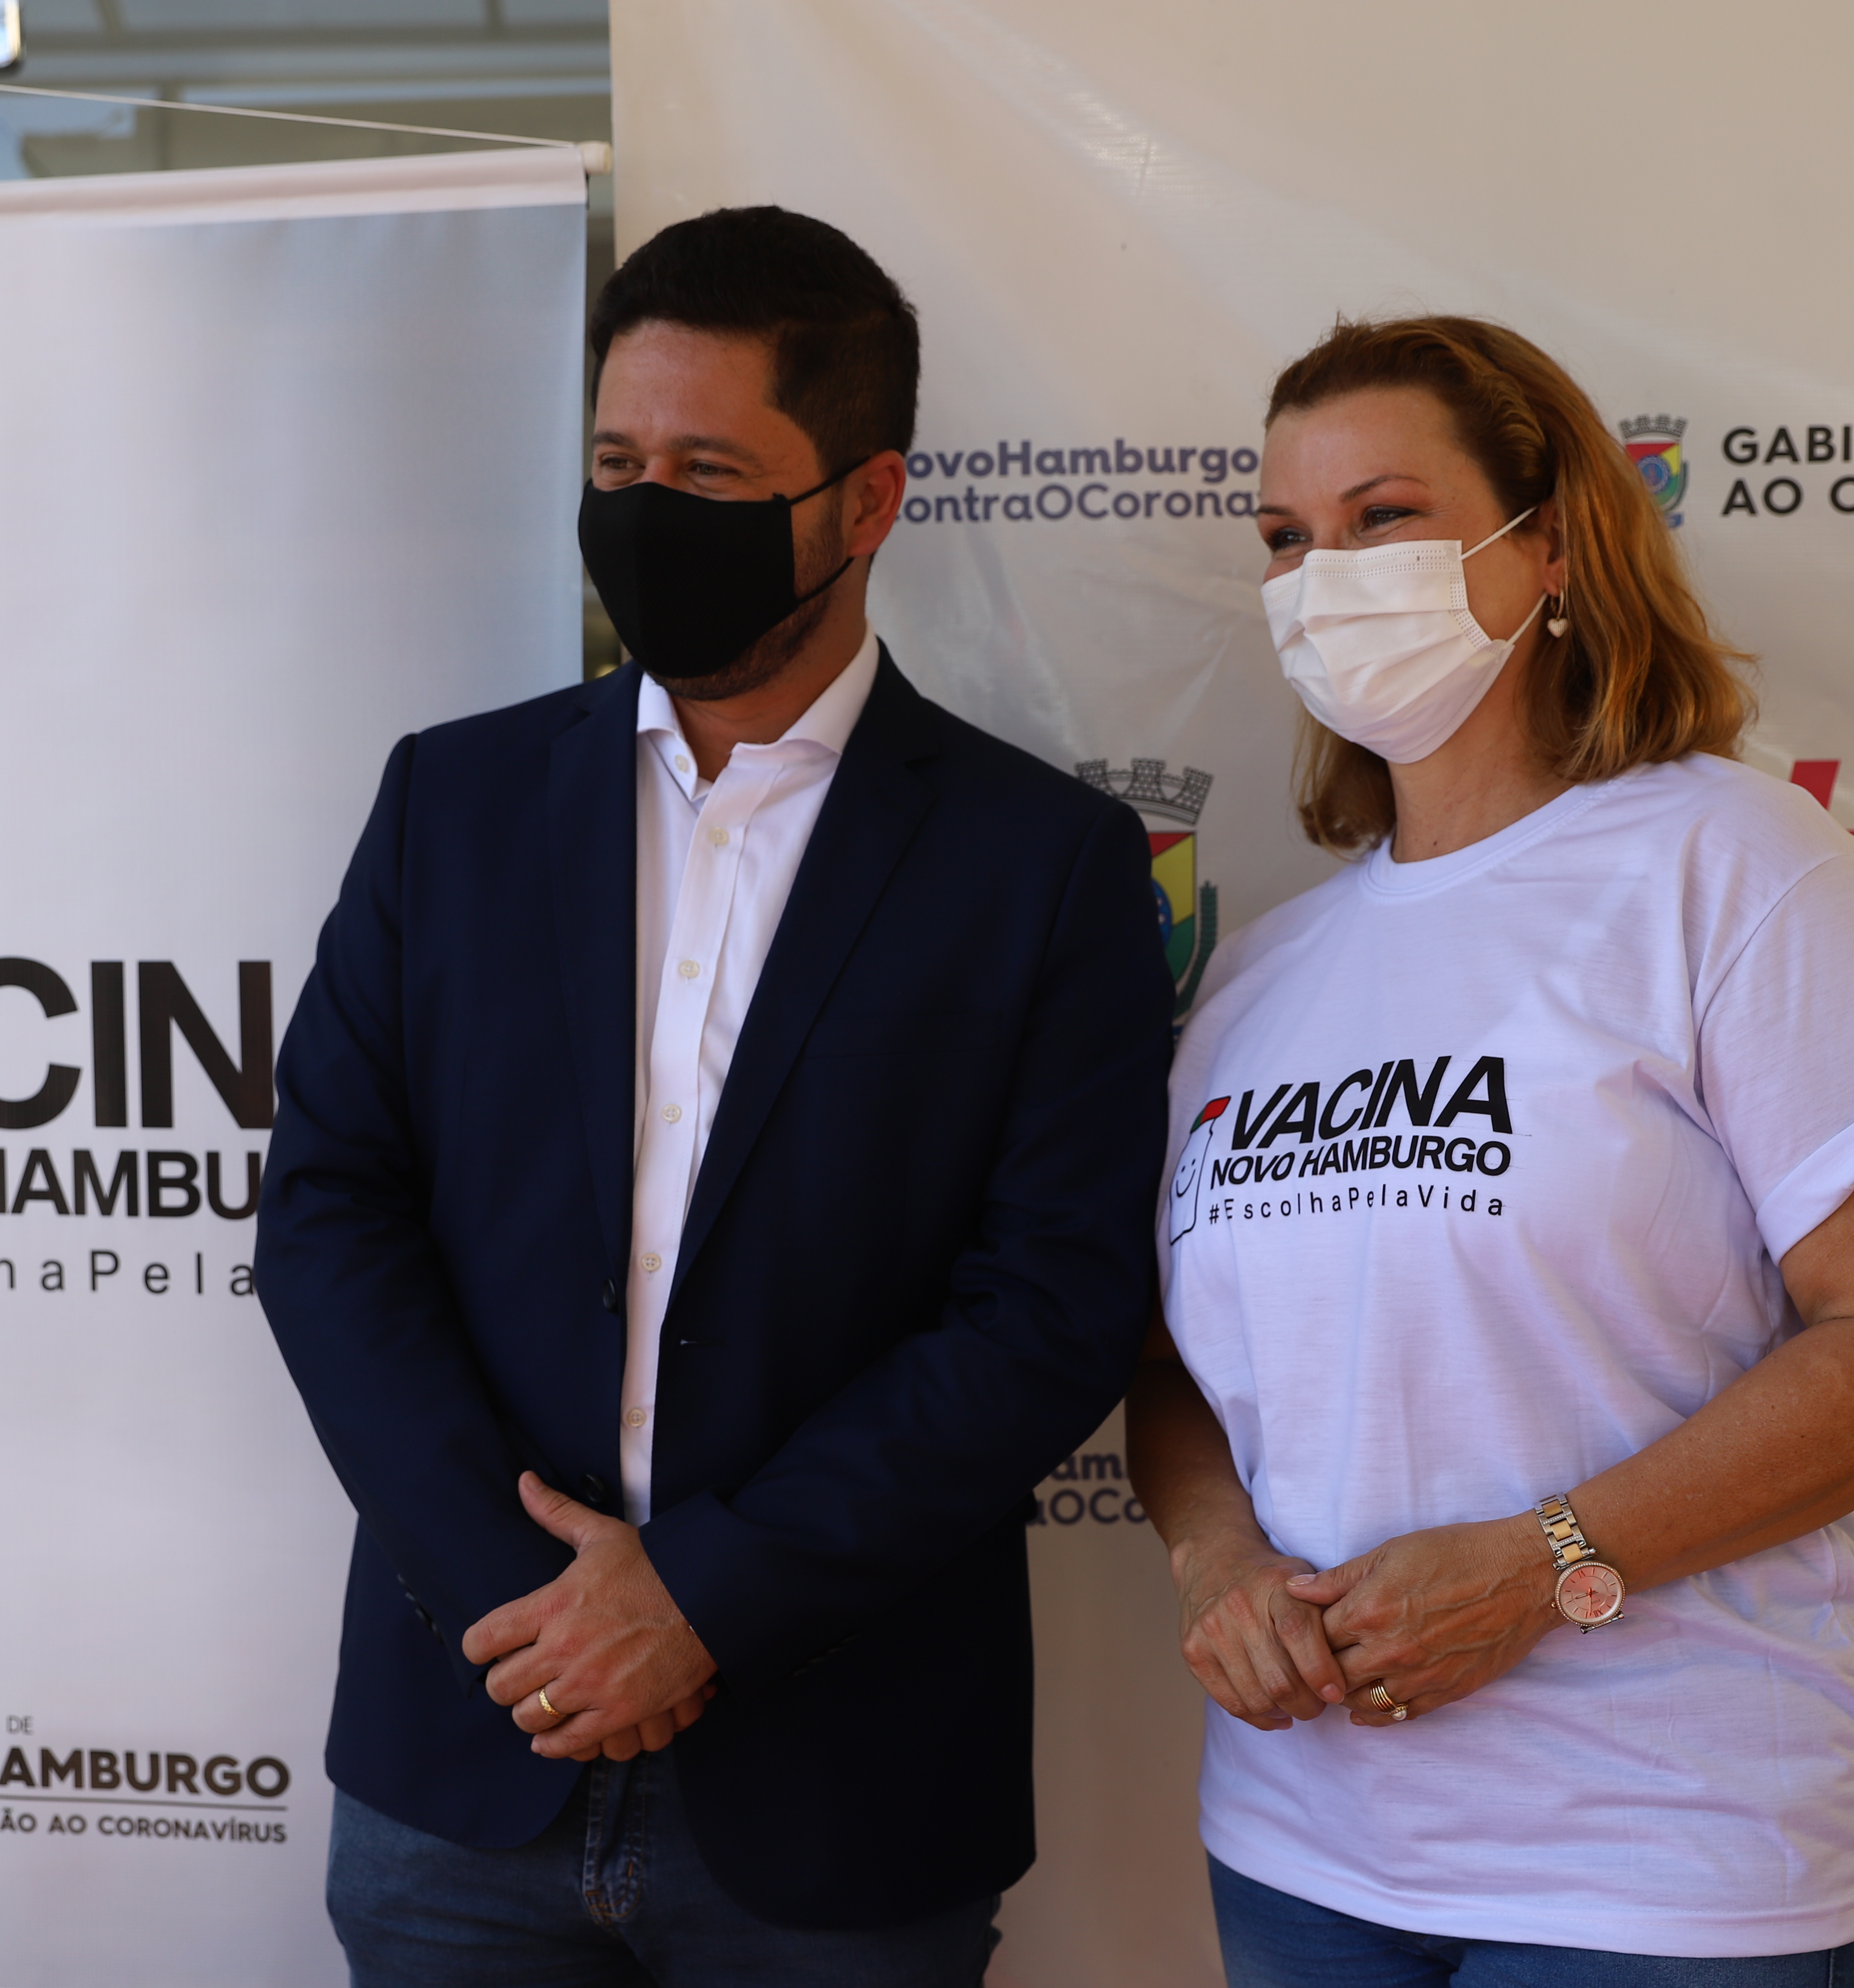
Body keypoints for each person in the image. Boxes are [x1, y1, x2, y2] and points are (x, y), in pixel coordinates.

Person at [258, 205, 1174, 1987]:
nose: (646, 508)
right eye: (618, 464)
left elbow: (1052, 1308)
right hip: (466, 1764)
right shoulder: (452, 805)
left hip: (840, 1793)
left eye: (708, 471)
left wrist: (703, 1602)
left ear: (868, 500)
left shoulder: (1043, 864)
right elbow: (328, 1216)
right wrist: (530, 1612)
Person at [1129, 315, 1854, 1987]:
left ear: (1551, 547)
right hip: (1306, 1850)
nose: (1325, 579)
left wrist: (1543, 1569)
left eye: (1384, 518)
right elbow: (1180, 1367)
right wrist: (1216, 1559)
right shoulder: (1261, 977)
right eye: (1286, 539)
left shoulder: (1740, 872)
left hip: (1673, 1863)